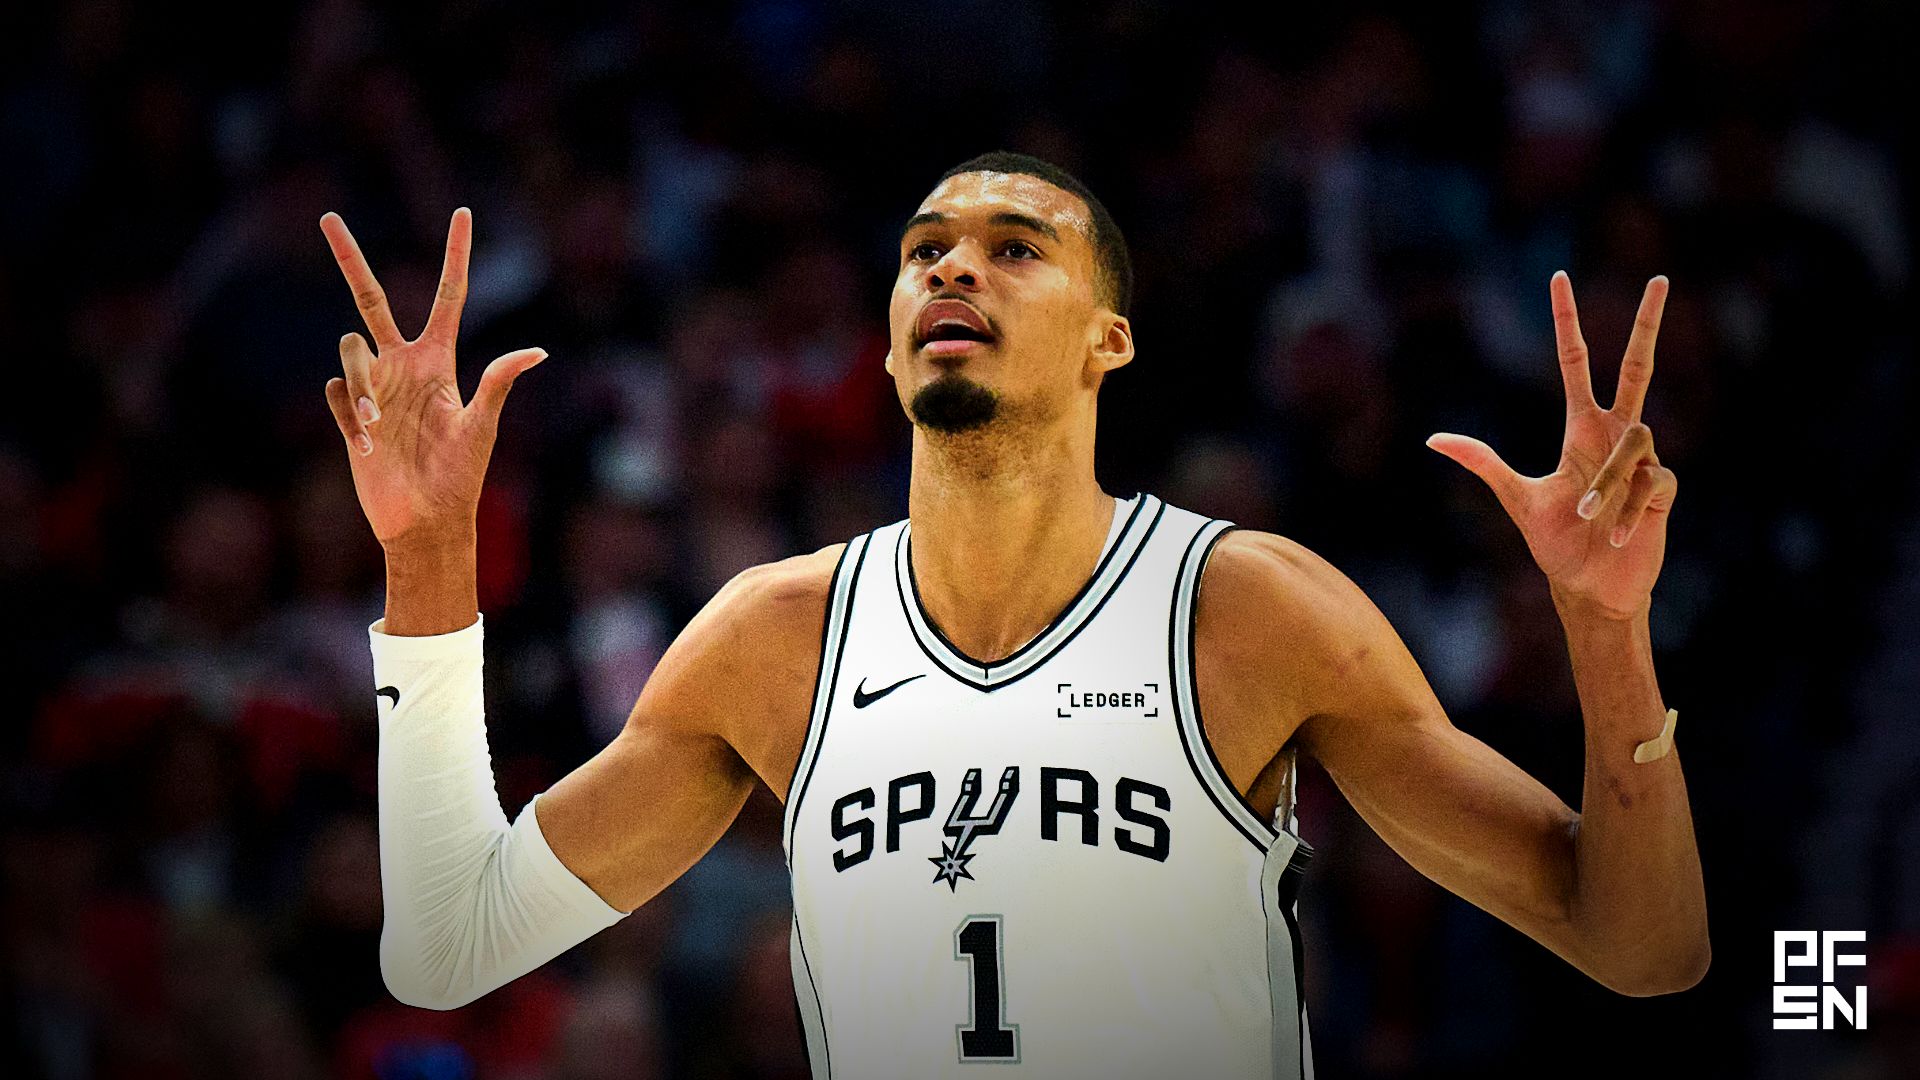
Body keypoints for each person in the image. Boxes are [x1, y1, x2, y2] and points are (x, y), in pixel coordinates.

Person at [319, 151, 1708, 1079]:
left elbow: (1644, 949)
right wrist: (431, 554)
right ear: (884, 335)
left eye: (1013, 247)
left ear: (1110, 337)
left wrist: (1604, 631)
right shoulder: (775, 637)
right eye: (924, 249)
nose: (951, 269)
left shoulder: (1250, 610)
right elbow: (448, 948)